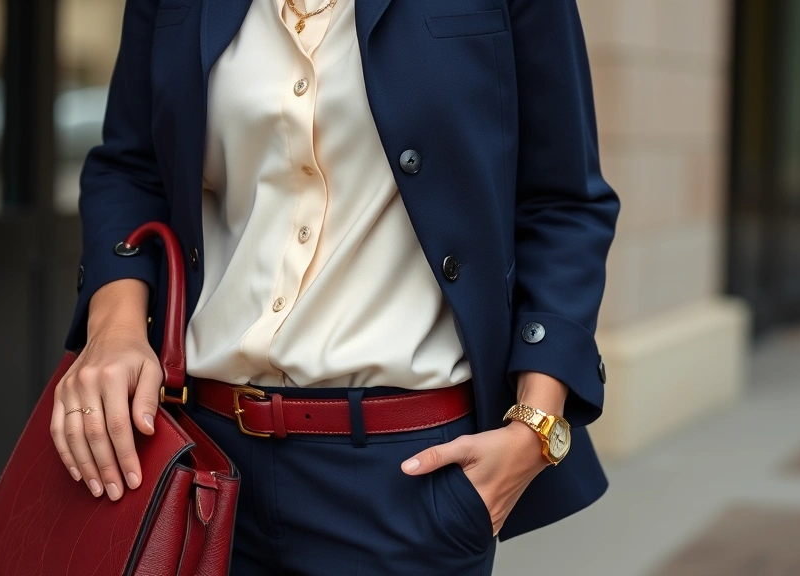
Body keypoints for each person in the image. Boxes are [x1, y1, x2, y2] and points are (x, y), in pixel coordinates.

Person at [49, 0, 619, 573]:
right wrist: (114, 331)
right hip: (195, 456)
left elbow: (564, 201)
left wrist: (536, 425)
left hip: (404, 482)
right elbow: (130, 167)